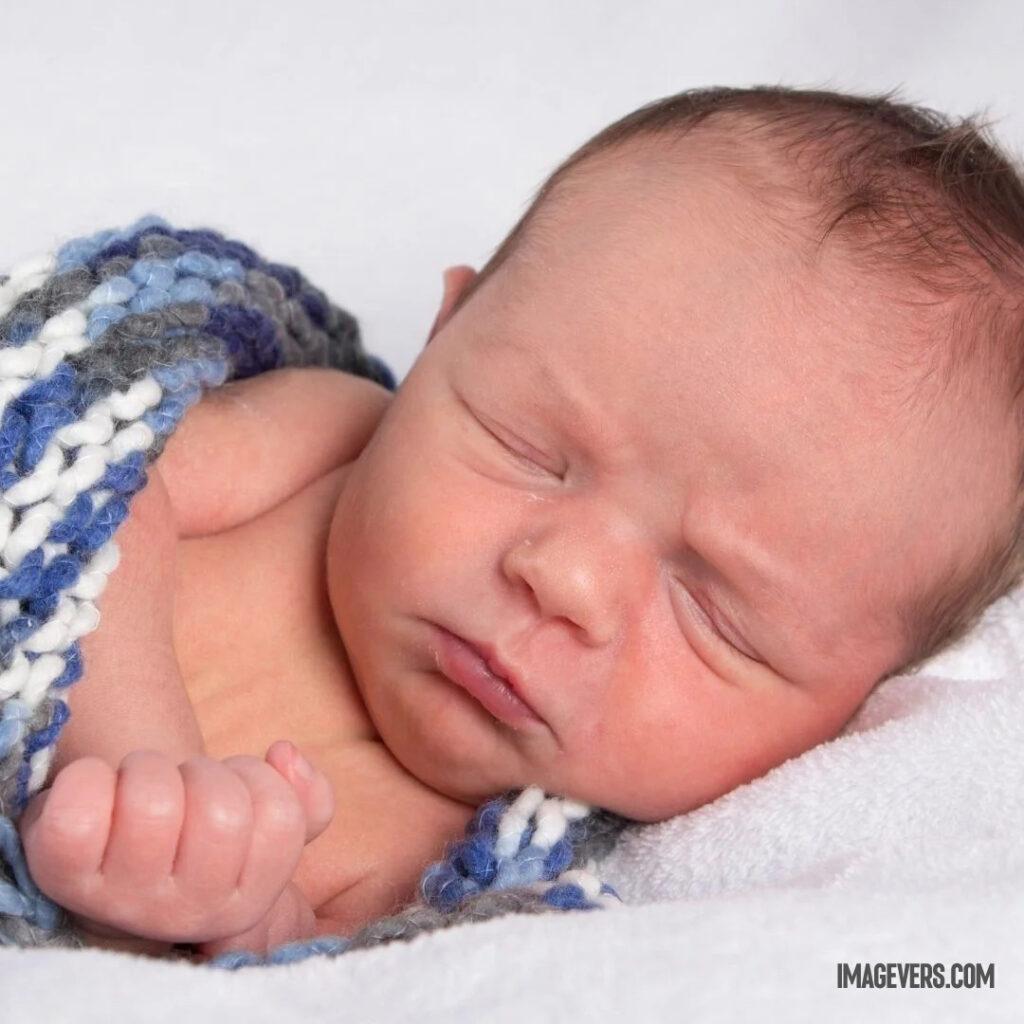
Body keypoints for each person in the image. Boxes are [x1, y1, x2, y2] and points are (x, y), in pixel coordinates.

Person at [16, 84, 1024, 960]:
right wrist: (144, 762)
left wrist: (219, 903)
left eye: (715, 609)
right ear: (445, 336)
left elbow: (293, 974)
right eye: (528, 448)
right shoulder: (328, 438)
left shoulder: (473, 884)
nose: (566, 578)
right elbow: (103, 486)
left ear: (849, 709)